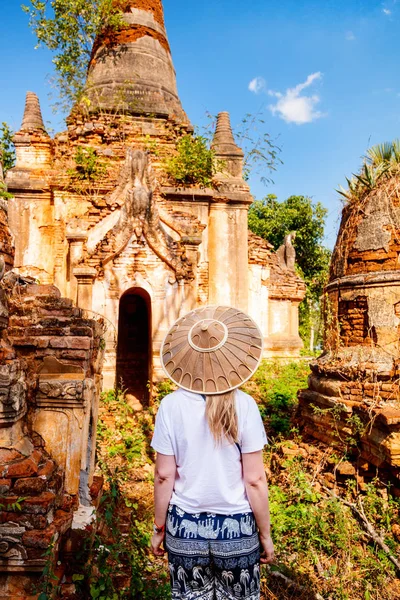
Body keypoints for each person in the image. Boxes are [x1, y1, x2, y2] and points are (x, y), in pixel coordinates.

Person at [150, 306, 274, 600]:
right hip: (237, 529)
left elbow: (164, 475)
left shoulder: (171, 405)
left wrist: (158, 527)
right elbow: (255, 479)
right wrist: (265, 534)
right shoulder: (245, 405)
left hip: (184, 527)